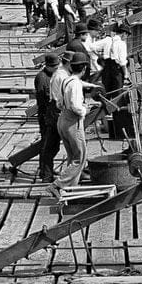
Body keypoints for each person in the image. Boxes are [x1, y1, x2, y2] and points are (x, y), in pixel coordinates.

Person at [3, 53, 59, 179]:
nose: (56, 69)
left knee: (52, 145)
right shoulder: (41, 78)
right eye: (54, 67)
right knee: (47, 145)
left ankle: (46, 169)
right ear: (48, 66)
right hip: (46, 115)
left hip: (52, 114)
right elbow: (44, 97)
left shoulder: (54, 75)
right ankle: (46, 173)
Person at [55, 51, 90, 187]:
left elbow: (58, 102)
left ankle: (70, 188)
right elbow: (76, 106)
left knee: (72, 157)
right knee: (80, 158)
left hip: (62, 119)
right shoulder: (75, 84)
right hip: (72, 122)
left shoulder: (66, 80)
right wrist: (84, 110)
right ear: (84, 68)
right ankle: (58, 185)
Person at [91, 23, 130, 99]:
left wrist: (100, 55)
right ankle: (116, 110)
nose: (126, 38)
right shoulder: (122, 44)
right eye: (127, 35)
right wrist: (126, 74)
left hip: (106, 69)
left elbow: (92, 46)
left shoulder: (107, 40)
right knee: (117, 93)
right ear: (124, 33)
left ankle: (105, 108)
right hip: (117, 71)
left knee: (106, 91)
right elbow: (122, 62)